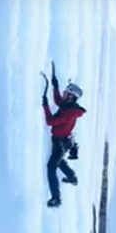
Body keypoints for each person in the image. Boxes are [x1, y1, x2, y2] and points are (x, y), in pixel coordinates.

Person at [42, 63, 86, 208]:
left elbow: (50, 121)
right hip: (63, 141)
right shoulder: (69, 107)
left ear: (71, 97)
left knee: (51, 167)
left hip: (61, 142)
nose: (64, 93)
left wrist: (45, 106)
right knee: (59, 161)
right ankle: (72, 177)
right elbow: (59, 101)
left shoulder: (68, 113)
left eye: (66, 92)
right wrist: (55, 86)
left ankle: (56, 198)